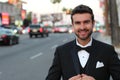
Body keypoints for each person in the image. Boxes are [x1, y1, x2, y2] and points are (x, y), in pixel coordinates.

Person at [45, 4, 120, 80]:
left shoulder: (108, 50)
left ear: (93, 23)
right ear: (73, 25)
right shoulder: (61, 51)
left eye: (86, 22)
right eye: (78, 23)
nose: (82, 27)